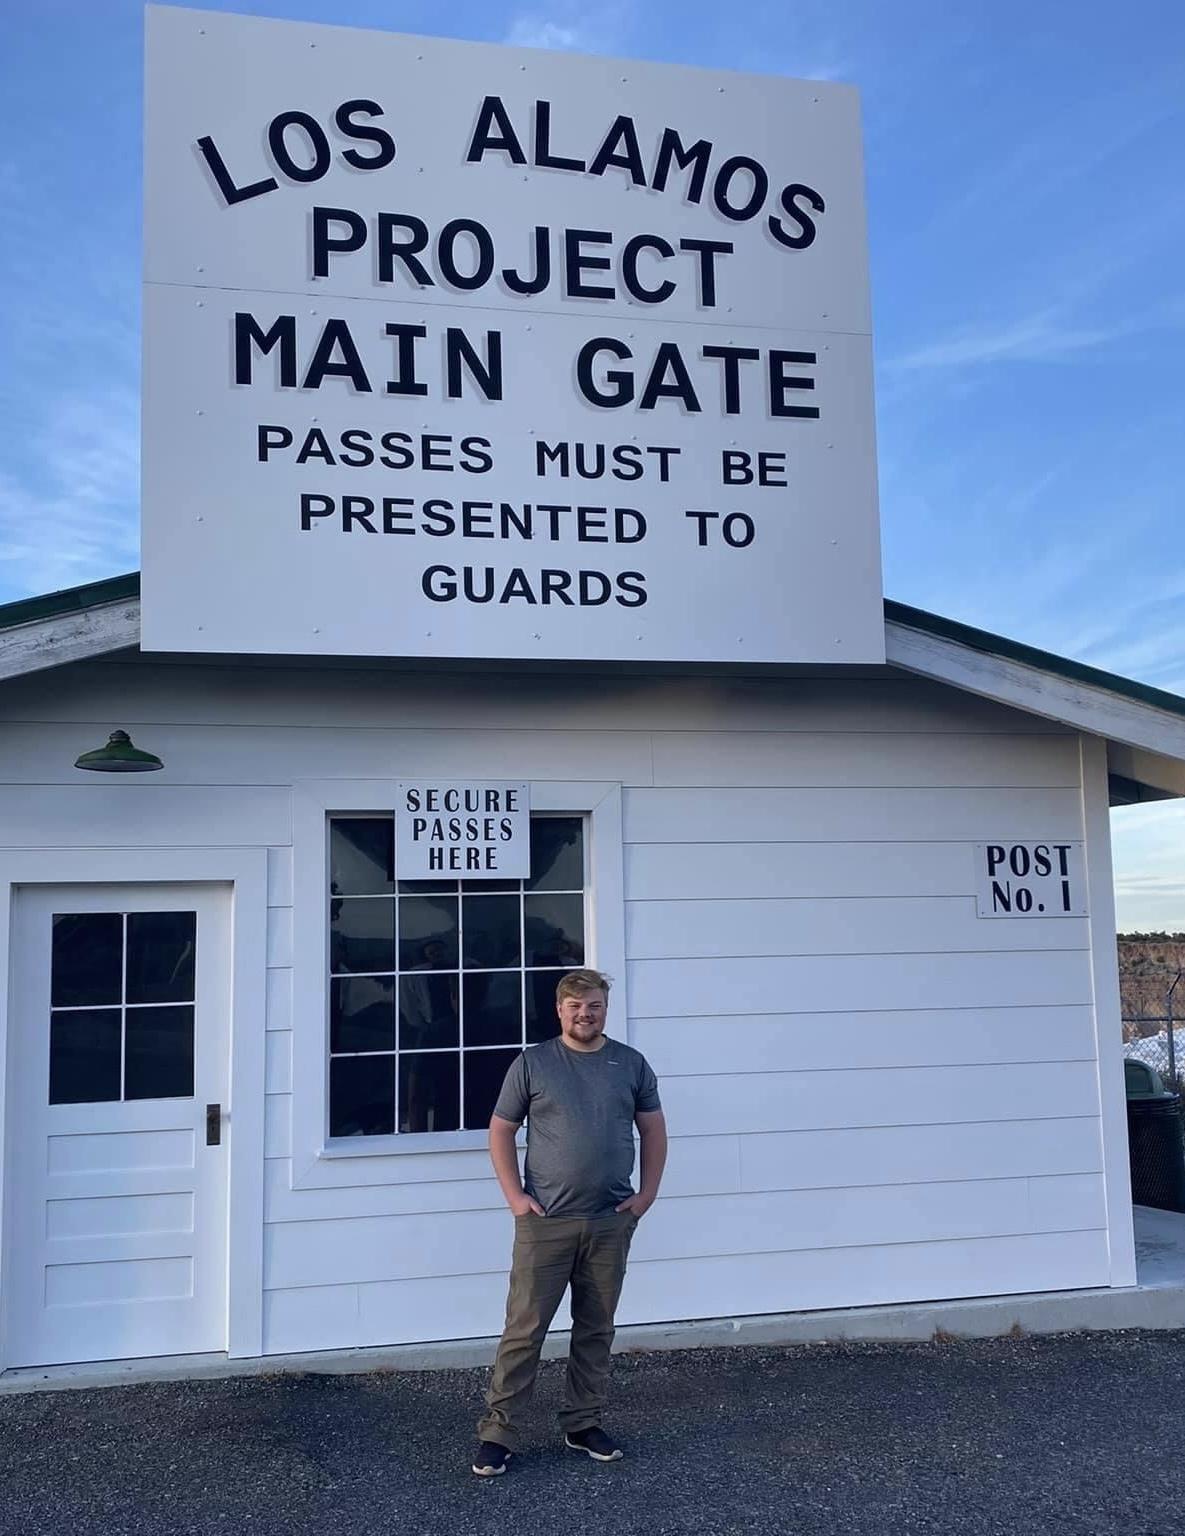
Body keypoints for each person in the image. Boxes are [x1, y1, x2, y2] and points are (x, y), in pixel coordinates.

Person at [471, 968, 667, 1476]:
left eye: (595, 1005)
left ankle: (582, 1423)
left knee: (595, 1327)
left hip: (609, 1222)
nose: (585, 1013)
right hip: (547, 1223)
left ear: (605, 1008)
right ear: (560, 1009)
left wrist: (645, 1196)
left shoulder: (631, 1064)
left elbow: (653, 1130)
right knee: (525, 1329)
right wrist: (516, 1198)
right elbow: (500, 1130)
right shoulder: (533, 1064)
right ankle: (499, 1432)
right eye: (576, 1005)